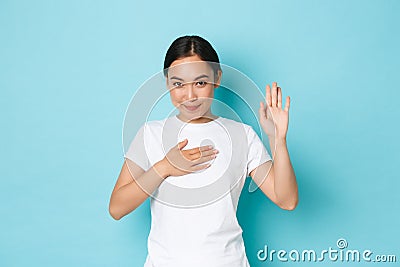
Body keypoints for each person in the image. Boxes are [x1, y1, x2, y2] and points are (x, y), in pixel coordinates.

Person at [109, 35, 298, 267]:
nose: (189, 96)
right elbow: (116, 207)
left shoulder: (242, 135)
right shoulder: (150, 134)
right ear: (167, 82)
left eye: (200, 83)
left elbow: (287, 200)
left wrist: (277, 138)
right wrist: (164, 168)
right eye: (178, 84)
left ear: (217, 78)